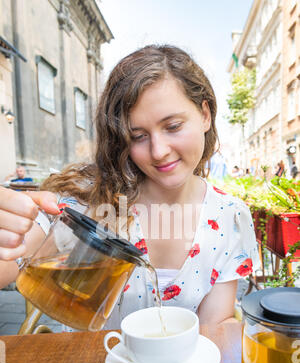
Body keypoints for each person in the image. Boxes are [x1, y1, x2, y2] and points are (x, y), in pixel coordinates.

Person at [0, 44, 259, 328]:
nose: (159, 151)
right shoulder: (89, 198)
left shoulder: (230, 216)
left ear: (205, 115)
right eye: (138, 136)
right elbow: (9, 261)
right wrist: (10, 232)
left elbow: (213, 327)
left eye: (172, 126)